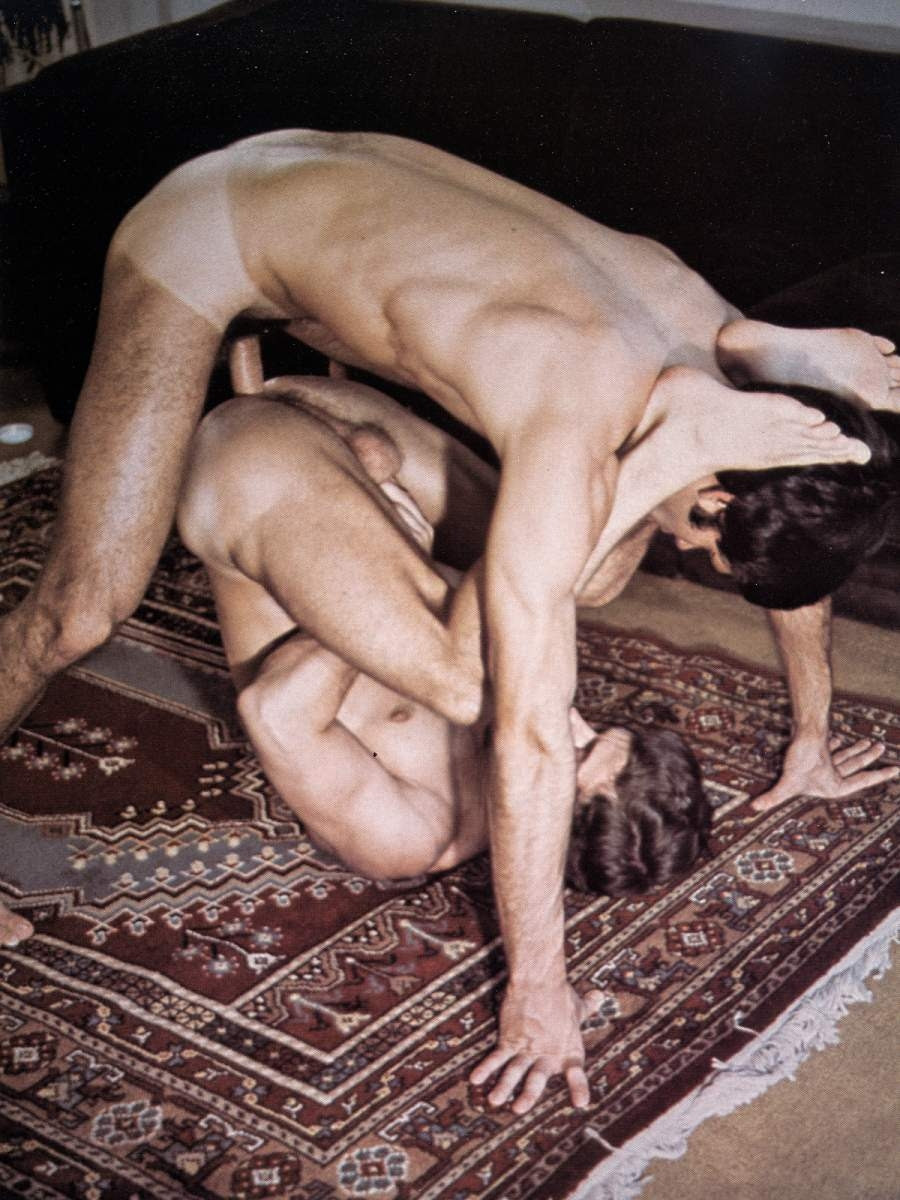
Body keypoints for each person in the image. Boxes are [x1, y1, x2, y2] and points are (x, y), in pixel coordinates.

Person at [2, 131, 897, 1107]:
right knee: (80, 610)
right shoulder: (580, 431)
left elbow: (799, 518)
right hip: (206, 232)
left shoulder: (722, 355)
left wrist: (812, 734)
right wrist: (537, 989)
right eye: (698, 542)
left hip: (311, 193)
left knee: (582, 578)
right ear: (717, 490)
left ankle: (713, 398)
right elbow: (529, 740)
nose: (683, 553)